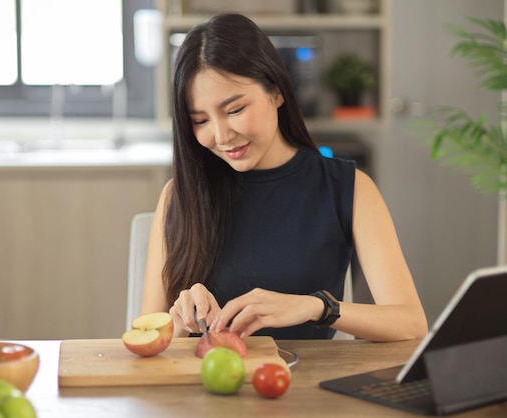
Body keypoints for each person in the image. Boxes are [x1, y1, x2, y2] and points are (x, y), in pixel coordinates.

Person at [139, 13, 427, 342]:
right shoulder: (179, 195)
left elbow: (411, 323)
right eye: (200, 120)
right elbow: (147, 335)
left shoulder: (347, 188)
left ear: (276, 93)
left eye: (234, 110)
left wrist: (316, 307)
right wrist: (178, 322)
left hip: (302, 390)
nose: (221, 136)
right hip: (202, 387)